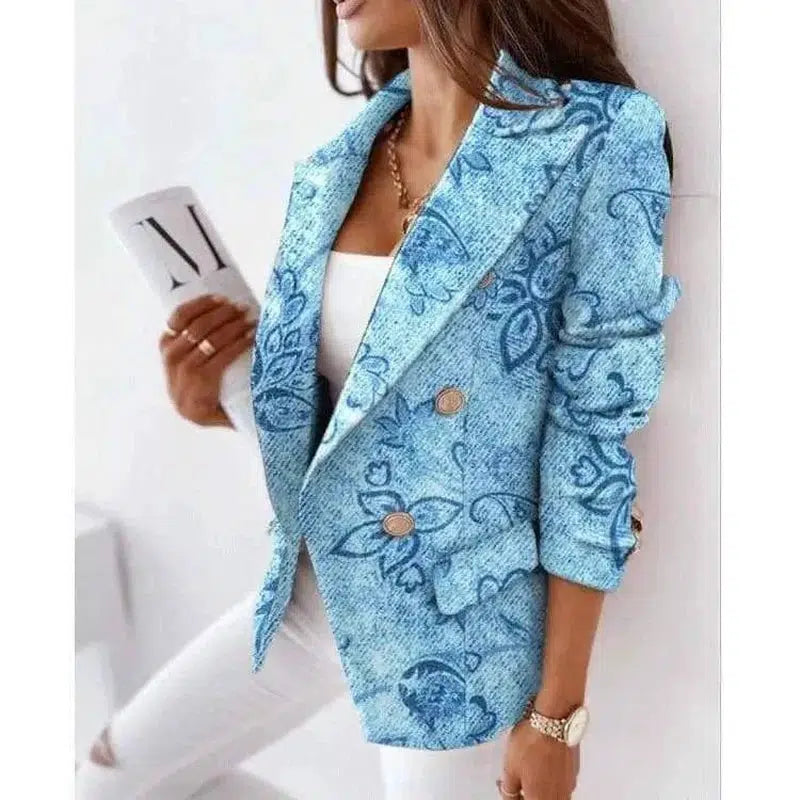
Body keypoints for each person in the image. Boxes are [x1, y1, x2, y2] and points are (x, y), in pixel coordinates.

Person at [77, 1, 682, 798]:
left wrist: (556, 714)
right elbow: (347, 421)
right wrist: (217, 399)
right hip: (309, 595)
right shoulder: (334, 167)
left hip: (458, 634)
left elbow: (591, 438)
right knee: (106, 781)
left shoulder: (598, 136)